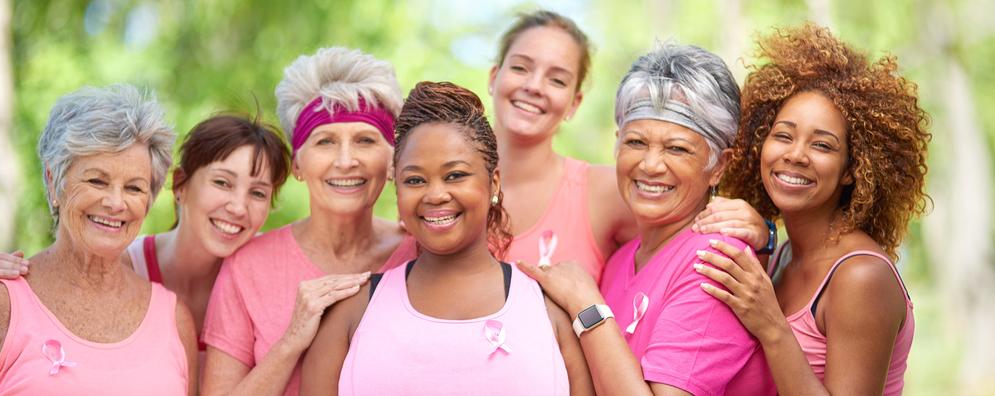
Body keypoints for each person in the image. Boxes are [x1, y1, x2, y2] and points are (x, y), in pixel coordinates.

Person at [300, 81, 594, 395]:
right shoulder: (350, 314)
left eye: (455, 175)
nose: (436, 194)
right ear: (398, 192)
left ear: (493, 183)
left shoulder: (550, 311)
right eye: (415, 180)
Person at [518, 44, 776, 395]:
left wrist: (586, 305)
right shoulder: (623, 258)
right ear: (617, 145)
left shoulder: (716, 262)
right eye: (636, 142)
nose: (651, 165)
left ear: (718, 166)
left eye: (677, 148)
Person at [693, 23, 928, 395]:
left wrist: (770, 324)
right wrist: (767, 238)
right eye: (783, 135)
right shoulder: (786, 253)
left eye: (822, 145)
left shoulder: (860, 277)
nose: (795, 155)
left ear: (853, 169)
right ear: (759, 145)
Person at [0, 113, 293, 365]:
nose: (237, 207)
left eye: (258, 193)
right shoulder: (119, 264)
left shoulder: (271, 272)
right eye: (222, 183)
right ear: (180, 185)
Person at [0, 84, 196, 395]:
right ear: (53, 180)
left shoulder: (175, 320)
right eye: (97, 181)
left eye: (134, 188)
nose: (116, 202)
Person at [488, 10, 769, 280]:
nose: (535, 86)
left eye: (557, 80)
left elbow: (688, 224)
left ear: (574, 103)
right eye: (520, 68)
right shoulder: (449, 179)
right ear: (493, 77)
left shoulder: (606, 192)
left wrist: (764, 234)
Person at [201, 47, 417, 396]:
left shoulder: (423, 256)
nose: (346, 161)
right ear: (298, 165)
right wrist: (291, 342)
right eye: (325, 141)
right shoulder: (247, 268)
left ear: (393, 160)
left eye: (365, 140)